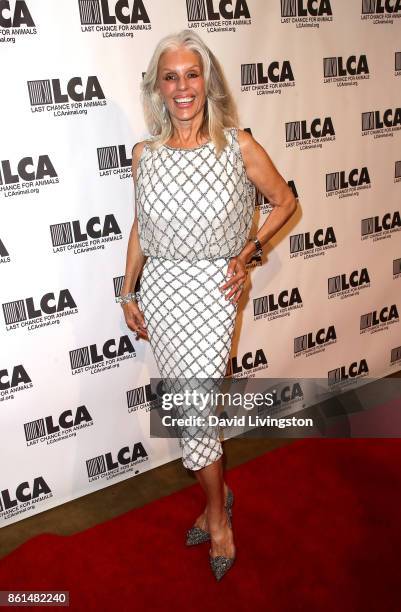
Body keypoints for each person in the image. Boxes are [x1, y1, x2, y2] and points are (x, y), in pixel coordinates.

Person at [119, 29, 297, 580]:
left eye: (191, 74)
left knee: (194, 415)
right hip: (164, 291)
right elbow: (141, 229)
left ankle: (219, 516)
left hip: (214, 295)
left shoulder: (238, 145)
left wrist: (249, 253)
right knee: (188, 415)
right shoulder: (145, 155)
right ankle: (217, 500)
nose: (182, 87)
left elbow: (285, 202)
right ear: (158, 87)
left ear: (207, 81)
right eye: (170, 77)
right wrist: (129, 290)